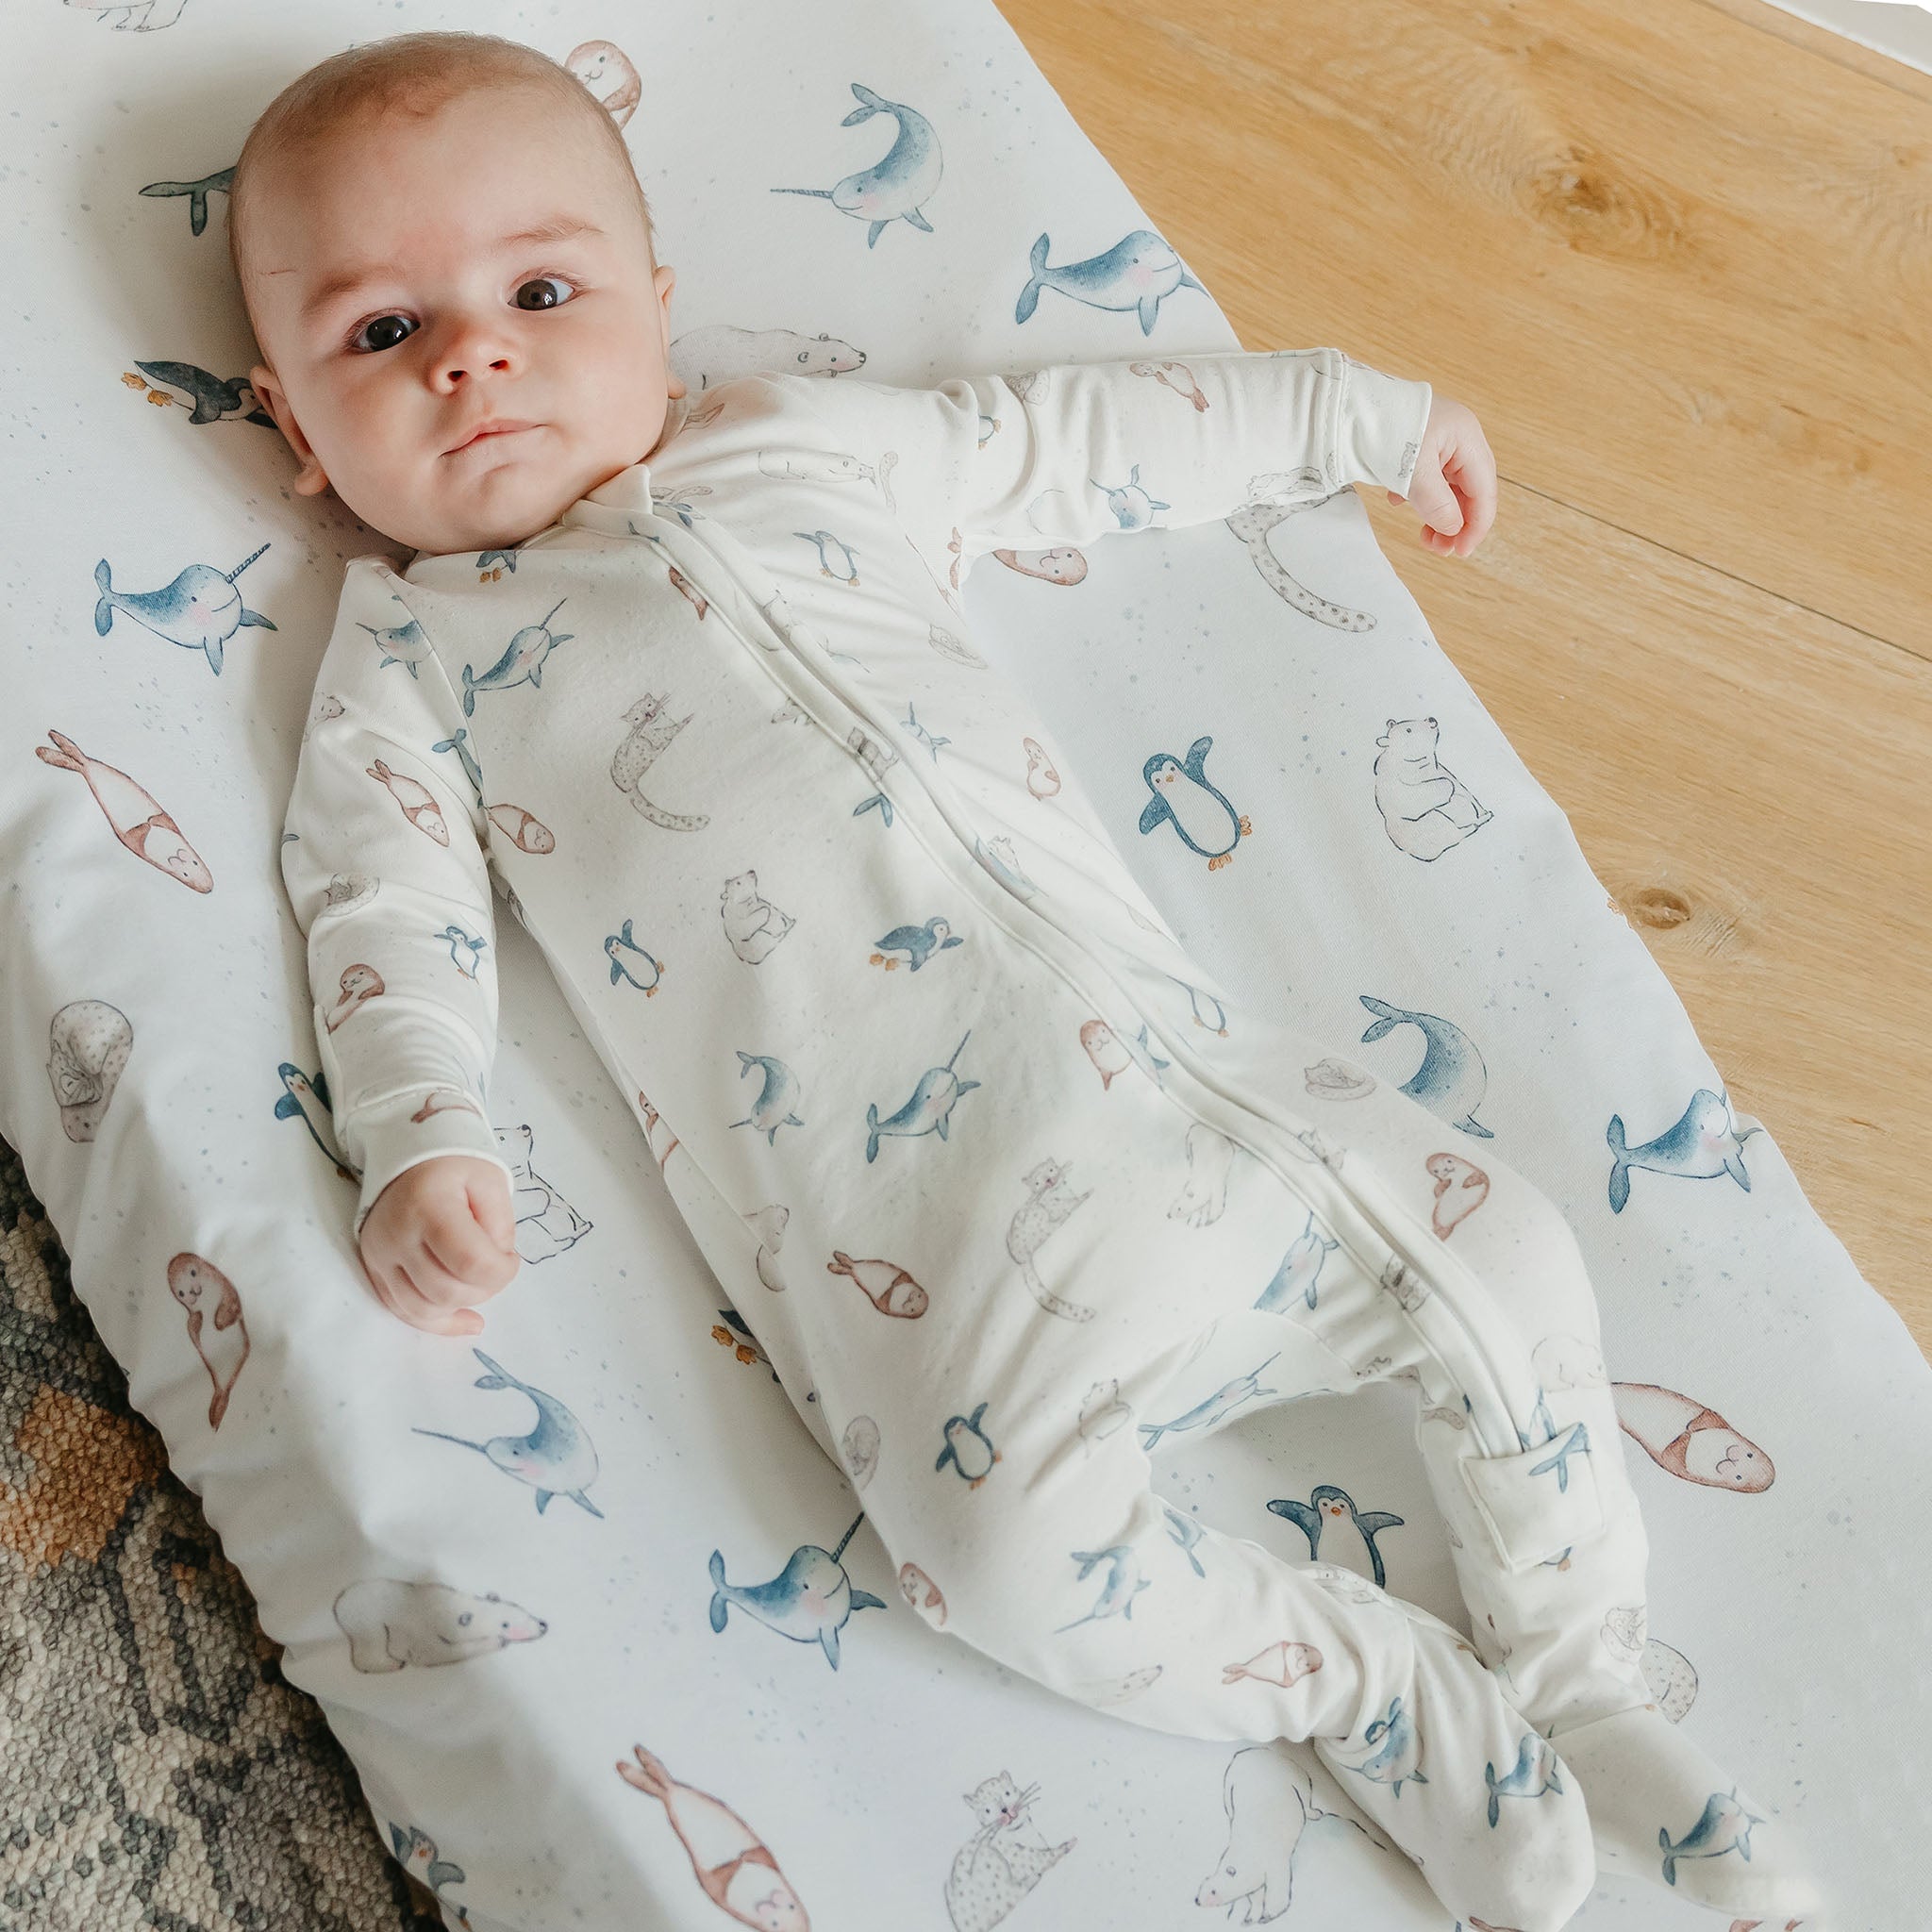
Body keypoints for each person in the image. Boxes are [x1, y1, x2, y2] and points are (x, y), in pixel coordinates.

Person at [246, 29, 1819, 1929]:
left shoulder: (797, 450)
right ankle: (1377, 1689)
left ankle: (1573, 1663)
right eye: (380, 333)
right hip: (942, 1287)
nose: (471, 358)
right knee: (991, 1562)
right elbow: (380, 908)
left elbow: (1069, 440)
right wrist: (424, 1136)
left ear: (658, 304)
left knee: (1504, 1259)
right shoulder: (407, 662)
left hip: (1213, 1118)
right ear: (291, 429)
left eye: (541, 294)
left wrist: (1352, 415)